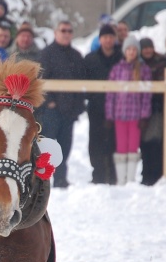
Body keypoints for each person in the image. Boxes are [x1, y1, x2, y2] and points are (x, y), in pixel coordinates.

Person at [36, 20, 87, 188]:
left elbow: (82, 83)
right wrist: (49, 102)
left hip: (69, 112)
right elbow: (40, 81)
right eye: (63, 30)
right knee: (48, 147)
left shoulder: (77, 56)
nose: (66, 33)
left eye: (69, 30)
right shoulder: (46, 54)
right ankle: (44, 179)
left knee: (65, 147)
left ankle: (61, 178)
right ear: (55, 32)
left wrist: (78, 107)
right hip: (51, 111)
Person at [106, 35, 152, 185]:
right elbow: (110, 94)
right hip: (119, 114)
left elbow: (147, 94)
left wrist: (145, 115)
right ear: (125, 51)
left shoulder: (143, 69)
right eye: (129, 49)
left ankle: (131, 179)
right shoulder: (117, 69)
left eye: (134, 49)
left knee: (133, 146)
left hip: (135, 115)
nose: (131, 52)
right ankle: (121, 180)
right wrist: (109, 115)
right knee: (121, 147)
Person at [85, 23, 123, 184]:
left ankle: (114, 175)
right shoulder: (90, 59)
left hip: (118, 108)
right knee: (96, 143)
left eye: (110, 37)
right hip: (96, 108)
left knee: (114, 142)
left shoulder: (122, 58)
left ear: (115, 39)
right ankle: (98, 175)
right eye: (105, 37)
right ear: (100, 39)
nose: (108, 40)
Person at [138, 37, 166, 185]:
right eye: (144, 48)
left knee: (155, 142)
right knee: (144, 143)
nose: (147, 50)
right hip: (139, 108)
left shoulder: (162, 61)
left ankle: (156, 175)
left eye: (149, 47)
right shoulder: (137, 64)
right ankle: (147, 174)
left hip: (157, 108)